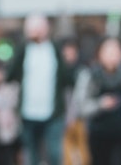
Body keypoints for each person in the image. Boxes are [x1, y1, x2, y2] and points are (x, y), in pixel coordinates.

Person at [7, 14, 73, 165]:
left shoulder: (55, 49)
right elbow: (10, 75)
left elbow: (67, 78)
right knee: (31, 153)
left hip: (53, 112)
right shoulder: (23, 49)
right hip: (28, 113)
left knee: (54, 152)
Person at [73, 37, 121, 165]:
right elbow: (80, 105)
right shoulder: (90, 76)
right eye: (108, 51)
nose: (112, 55)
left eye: (116, 51)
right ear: (100, 53)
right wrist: (100, 104)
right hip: (97, 134)